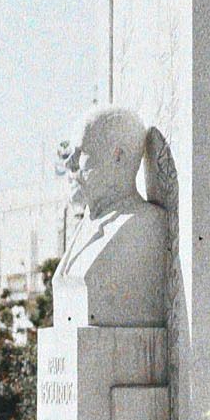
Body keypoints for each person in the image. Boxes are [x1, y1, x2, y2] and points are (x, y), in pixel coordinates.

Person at [52, 106, 167, 328]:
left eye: (80, 152)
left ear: (118, 157)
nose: (69, 163)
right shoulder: (85, 224)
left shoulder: (144, 224)